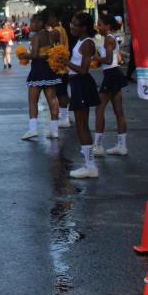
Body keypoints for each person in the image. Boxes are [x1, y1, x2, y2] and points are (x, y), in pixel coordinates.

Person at [62, 13, 101, 178]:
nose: (71, 26)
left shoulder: (87, 43)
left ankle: (90, 166)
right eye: (71, 23)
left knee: (82, 125)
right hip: (77, 84)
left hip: (82, 83)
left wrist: (66, 62)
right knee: (80, 125)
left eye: (74, 24)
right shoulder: (80, 41)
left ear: (84, 27)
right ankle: (88, 163)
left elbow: (84, 70)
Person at [18, 13, 61, 140]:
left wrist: (23, 56)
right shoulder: (53, 34)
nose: (31, 25)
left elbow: (35, 55)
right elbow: (53, 51)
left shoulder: (37, 36)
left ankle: (33, 130)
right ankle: (54, 130)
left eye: (33, 22)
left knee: (33, 101)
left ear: (40, 23)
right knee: (52, 100)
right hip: (49, 68)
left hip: (38, 69)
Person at [94, 13, 128, 157]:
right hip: (114, 73)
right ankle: (122, 146)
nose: (98, 27)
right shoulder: (111, 38)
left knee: (99, 109)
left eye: (100, 24)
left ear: (108, 26)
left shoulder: (108, 38)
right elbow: (115, 59)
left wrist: (96, 57)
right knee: (118, 111)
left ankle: (98, 146)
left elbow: (108, 60)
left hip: (111, 75)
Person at [47, 13, 72, 128]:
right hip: (63, 66)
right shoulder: (62, 29)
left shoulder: (56, 31)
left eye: (49, 18)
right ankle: (65, 117)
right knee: (63, 92)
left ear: (55, 18)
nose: (48, 20)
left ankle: (64, 119)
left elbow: (52, 47)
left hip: (58, 66)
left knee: (60, 93)